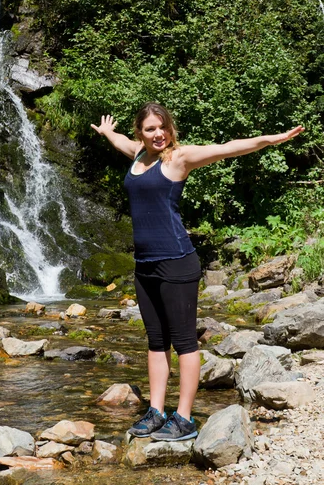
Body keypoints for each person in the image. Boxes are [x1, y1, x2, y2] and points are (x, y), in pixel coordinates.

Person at [91, 102, 304, 442]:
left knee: (185, 343)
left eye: (162, 127)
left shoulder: (180, 158)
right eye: (149, 129)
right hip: (145, 265)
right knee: (156, 342)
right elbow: (120, 142)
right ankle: (157, 412)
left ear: (170, 129)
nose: (157, 134)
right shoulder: (137, 155)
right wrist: (106, 133)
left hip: (177, 261)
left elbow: (228, 149)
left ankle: (185, 418)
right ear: (140, 133)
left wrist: (269, 139)